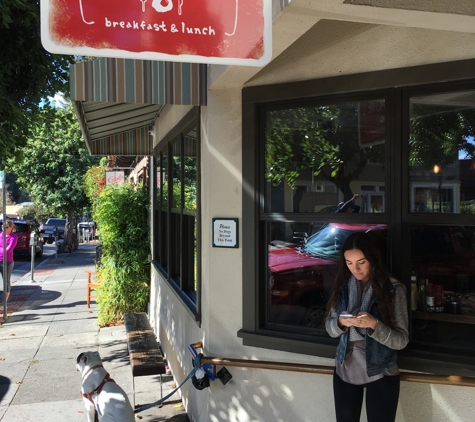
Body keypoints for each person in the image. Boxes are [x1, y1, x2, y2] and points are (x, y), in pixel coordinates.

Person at [325, 232, 408, 422]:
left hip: (381, 369)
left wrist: (374, 325)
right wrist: (340, 322)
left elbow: (402, 340)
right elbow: (330, 328)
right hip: (345, 366)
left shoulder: (393, 289)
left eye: (361, 262)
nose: (355, 268)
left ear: (372, 258)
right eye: (349, 263)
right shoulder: (342, 286)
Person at [0, 220, 18, 302]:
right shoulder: (0, 235)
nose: (4, 229)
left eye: (6, 227)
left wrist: (2, 249)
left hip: (7, 261)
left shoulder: (13, 237)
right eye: (3, 227)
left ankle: (5, 302)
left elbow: (8, 250)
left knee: (6, 281)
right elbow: (4, 250)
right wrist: (3, 249)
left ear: (11, 228)